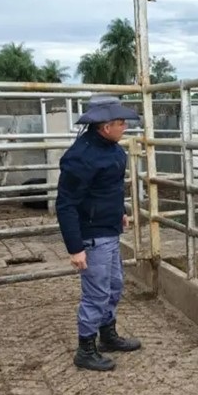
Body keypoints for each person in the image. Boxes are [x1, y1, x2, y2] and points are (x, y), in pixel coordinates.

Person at [56, 94, 142, 372]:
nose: (124, 127)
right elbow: (66, 204)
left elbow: (109, 190)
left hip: (109, 230)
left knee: (114, 285)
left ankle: (108, 335)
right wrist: (75, 247)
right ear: (105, 127)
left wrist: (120, 212)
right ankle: (86, 348)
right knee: (96, 293)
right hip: (92, 235)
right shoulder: (81, 157)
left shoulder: (113, 149)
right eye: (120, 123)